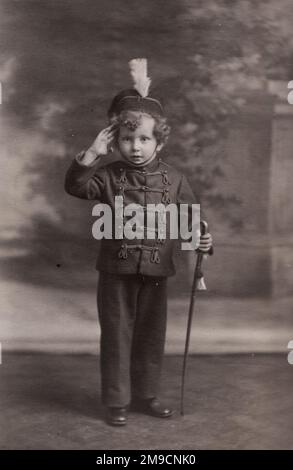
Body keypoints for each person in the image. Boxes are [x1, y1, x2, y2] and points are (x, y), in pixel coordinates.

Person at [65, 59, 213, 426]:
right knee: (117, 334)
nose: (135, 147)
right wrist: (92, 153)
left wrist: (202, 237)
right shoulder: (107, 176)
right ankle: (117, 401)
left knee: (150, 335)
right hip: (115, 270)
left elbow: (191, 219)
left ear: (159, 141)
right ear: (116, 141)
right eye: (127, 139)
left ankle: (146, 396)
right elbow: (76, 187)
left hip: (157, 269)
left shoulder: (175, 179)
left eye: (144, 139)